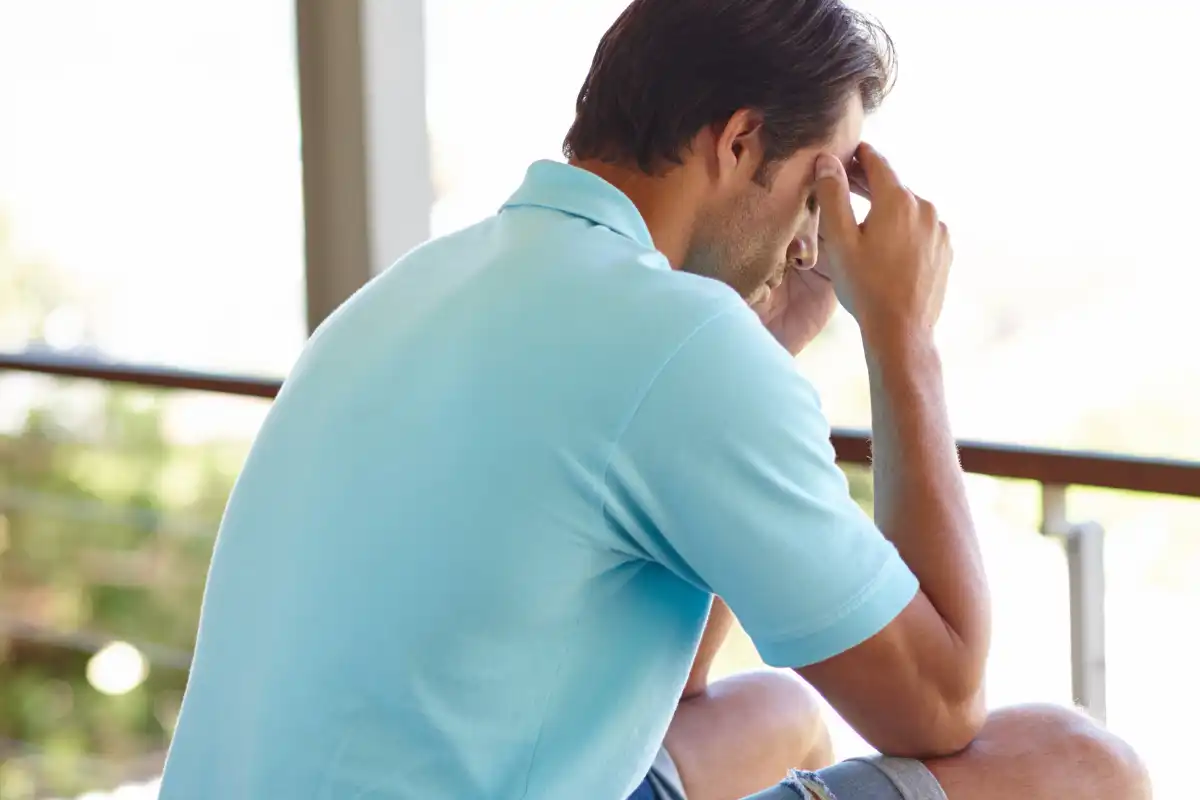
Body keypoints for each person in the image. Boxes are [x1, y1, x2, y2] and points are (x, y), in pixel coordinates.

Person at [159, 1, 1151, 798]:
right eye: (820, 189)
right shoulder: (676, 338)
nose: (817, 240)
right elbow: (940, 703)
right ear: (739, 142)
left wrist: (779, 336)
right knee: (1077, 761)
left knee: (783, 713)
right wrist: (904, 342)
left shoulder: (422, 283)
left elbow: (671, 689)